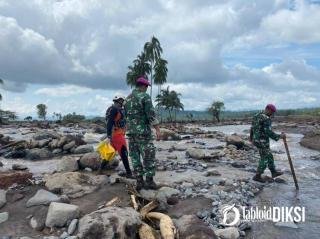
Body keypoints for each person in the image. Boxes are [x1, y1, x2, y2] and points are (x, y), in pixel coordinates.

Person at [124, 76, 161, 190]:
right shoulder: (145, 97)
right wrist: (157, 129)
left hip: (131, 134)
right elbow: (150, 114)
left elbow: (126, 117)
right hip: (143, 133)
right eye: (146, 87)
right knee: (149, 156)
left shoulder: (127, 99)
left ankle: (139, 181)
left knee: (135, 157)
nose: (146, 89)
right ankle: (149, 181)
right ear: (144, 86)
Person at [250, 104, 285, 183]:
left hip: (256, 140)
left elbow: (252, 128)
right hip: (262, 141)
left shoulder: (256, 115)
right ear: (268, 109)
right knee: (264, 157)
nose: (272, 114)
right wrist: (279, 136)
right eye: (272, 112)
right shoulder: (266, 118)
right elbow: (268, 132)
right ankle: (257, 176)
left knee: (269, 155)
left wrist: (251, 138)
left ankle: (274, 172)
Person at [102, 95, 133, 178]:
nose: (123, 103)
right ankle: (129, 173)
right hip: (117, 135)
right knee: (124, 153)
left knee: (109, 153)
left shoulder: (112, 109)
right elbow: (110, 122)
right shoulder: (114, 109)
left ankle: (100, 170)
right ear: (119, 101)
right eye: (122, 101)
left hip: (115, 135)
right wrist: (109, 136)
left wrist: (109, 136)